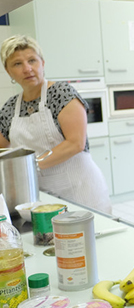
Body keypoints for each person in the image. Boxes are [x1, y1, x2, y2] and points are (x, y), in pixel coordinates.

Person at [0, 35, 112, 213]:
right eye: (17, 64)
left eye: (32, 60)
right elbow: (3, 152)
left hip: (81, 191)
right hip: (42, 197)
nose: (27, 69)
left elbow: (76, 143)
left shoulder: (61, 93)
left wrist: (29, 167)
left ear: (42, 63)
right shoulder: (10, 108)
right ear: (8, 71)